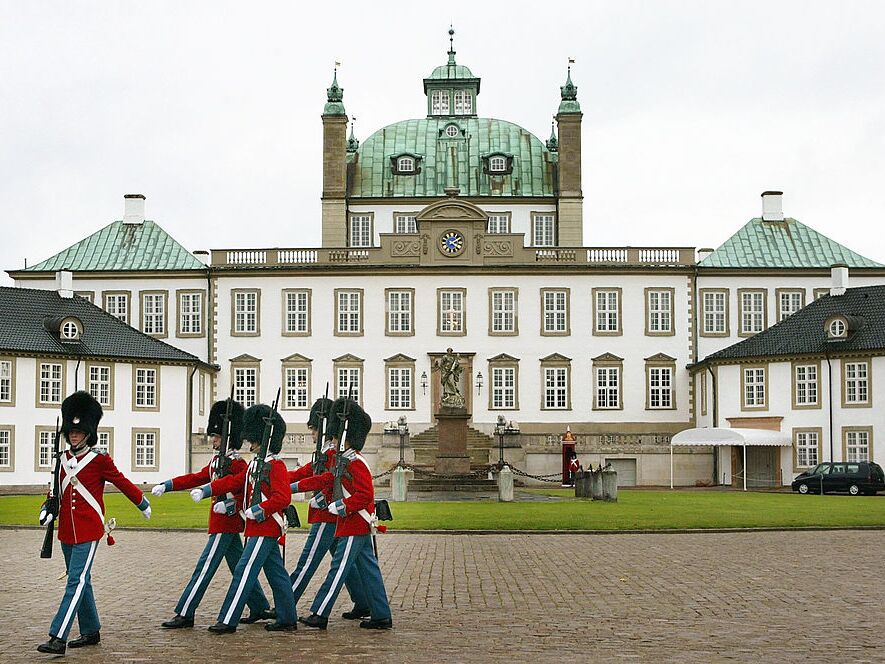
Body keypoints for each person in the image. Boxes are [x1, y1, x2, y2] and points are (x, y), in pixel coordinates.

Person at [37, 391, 152, 655]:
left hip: (89, 529)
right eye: (71, 432)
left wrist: (141, 502)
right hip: (66, 529)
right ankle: (91, 630)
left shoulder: (99, 459)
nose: (74, 435)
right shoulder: (62, 460)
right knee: (82, 581)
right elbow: (55, 492)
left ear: (88, 433)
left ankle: (58, 636)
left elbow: (120, 480)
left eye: (78, 432)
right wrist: (47, 509)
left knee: (75, 582)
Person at [151, 399, 274, 629]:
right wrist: (167, 485)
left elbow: (244, 494)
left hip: (226, 523)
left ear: (227, 437)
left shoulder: (238, 464)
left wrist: (229, 506)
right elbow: (196, 478)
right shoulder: (217, 460)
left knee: (204, 567)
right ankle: (259, 606)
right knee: (238, 564)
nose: (213, 441)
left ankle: (186, 611)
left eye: (217, 437)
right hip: (220, 523)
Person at [191, 404, 297, 633]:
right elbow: (234, 483)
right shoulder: (256, 465)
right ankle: (288, 617)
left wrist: (259, 510)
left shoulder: (275, 466)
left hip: (265, 526)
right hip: (257, 528)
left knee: (244, 570)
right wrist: (208, 490)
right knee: (277, 574)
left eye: (254, 440)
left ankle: (228, 619)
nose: (251, 444)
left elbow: (283, 497)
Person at [293, 398, 392, 630]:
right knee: (369, 569)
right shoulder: (344, 460)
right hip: (355, 522)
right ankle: (381, 614)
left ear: (345, 438)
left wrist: (343, 506)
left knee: (338, 570)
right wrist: (295, 486)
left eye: (335, 437)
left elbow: (365, 495)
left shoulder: (355, 462)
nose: (332, 441)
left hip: (354, 522)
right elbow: (326, 479)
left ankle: (320, 612)